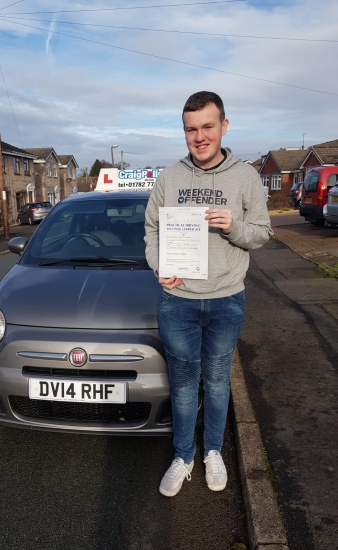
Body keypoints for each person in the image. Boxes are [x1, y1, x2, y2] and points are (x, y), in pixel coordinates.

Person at [144, 91, 273, 497]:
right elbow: (152, 231)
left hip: (225, 299)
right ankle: (183, 455)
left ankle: (212, 451)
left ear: (223, 127)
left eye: (207, 127)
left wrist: (235, 227)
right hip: (178, 302)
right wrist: (160, 264)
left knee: (217, 383)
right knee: (183, 386)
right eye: (191, 129)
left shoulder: (246, 177)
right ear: (184, 131)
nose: (199, 137)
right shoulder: (170, 178)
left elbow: (264, 233)